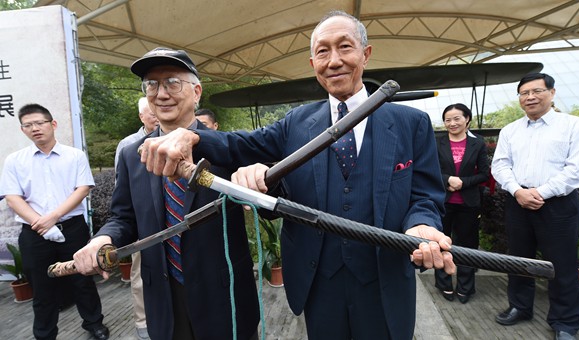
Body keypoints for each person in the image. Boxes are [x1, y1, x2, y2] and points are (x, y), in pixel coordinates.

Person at [139, 11, 455, 340]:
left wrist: (422, 224)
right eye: (322, 51)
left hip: (384, 278)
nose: (334, 61)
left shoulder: (410, 123)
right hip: (318, 282)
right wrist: (193, 136)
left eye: (345, 47)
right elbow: (239, 144)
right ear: (312, 63)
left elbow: (425, 196)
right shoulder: (296, 123)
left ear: (366, 53)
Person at [73, 48, 260, 340]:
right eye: (152, 84)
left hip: (223, 294)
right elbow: (124, 216)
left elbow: (267, 200)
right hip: (164, 297)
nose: (161, 93)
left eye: (173, 82)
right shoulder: (133, 156)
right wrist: (103, 238)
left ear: (196, 92)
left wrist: (260, 179)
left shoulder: (228, 148)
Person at [491, 73, 579, 340]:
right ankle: (520, 307)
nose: (530, 97)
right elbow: (500, 165)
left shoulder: (574, 126)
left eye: (537, 91)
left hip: (557, 205)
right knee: (518, 259)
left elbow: (577, 170)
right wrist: (517, 191)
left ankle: (565, 322)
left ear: (552, 93)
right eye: (524, 93)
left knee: (562, 264)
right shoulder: (510, 130)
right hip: (518, 202)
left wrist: (539, 192)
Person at [0, 104, 109, 340]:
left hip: (72, 228)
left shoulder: (74, 155)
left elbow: (82, 189)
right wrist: (40, 222)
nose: (35, 129)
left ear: (53, 124)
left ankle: (94, 323)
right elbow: (12, 196)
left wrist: (53, 217)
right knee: (41, 287)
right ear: (23, 130)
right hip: (33, 233)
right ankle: (45, 333)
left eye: (40, 123)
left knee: (82, 280)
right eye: (28, 125)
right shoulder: (15, 160)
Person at [433, 103, 489, 304]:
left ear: (467, 119)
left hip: (468, 203)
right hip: (443, 202)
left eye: (457, 118)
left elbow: (484, 173)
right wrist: (447, 179)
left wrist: (463, 182)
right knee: (441, 243)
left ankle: (466, 286)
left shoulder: (478, 143)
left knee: (467, 246)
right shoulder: (436, 142)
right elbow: (430, 170)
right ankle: (444, 283)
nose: (452, 123)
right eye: (448, 119)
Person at [114, 97, 158, 340]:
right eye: (148, 112)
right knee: (141, 274)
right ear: (141, 116)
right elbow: (124, 188)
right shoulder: (129, 146)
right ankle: (143, 326)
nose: (154, 114)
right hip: (144, 224)